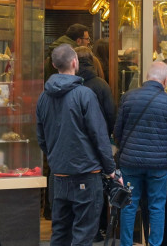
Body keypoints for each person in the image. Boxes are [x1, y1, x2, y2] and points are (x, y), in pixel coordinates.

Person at [36, 44, 115, 245]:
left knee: (60, 232)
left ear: (54, 65)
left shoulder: (43, 98)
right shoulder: (84, 94)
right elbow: (99, 135)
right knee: (84, 233)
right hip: (86, 173)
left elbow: (42, 138)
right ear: (75, 62)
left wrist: (55, 157)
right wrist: (110, 169)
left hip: (59, 173)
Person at [114, 62, 167, 246]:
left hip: (130, 162)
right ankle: (155, 243)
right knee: (157, 206)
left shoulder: (128, 98)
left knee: (128, 204)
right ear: (166, 80)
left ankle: (127, 243)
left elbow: (118, 131)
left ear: (147, 76)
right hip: (158, 164)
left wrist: (126, 148)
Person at [75, 46, 116, 243]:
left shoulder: (69, 85)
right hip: (96, 144)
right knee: (96, 186)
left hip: (72, 145)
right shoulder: (100, 85)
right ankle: (97, 229)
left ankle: (75, 228)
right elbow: (110, 114)